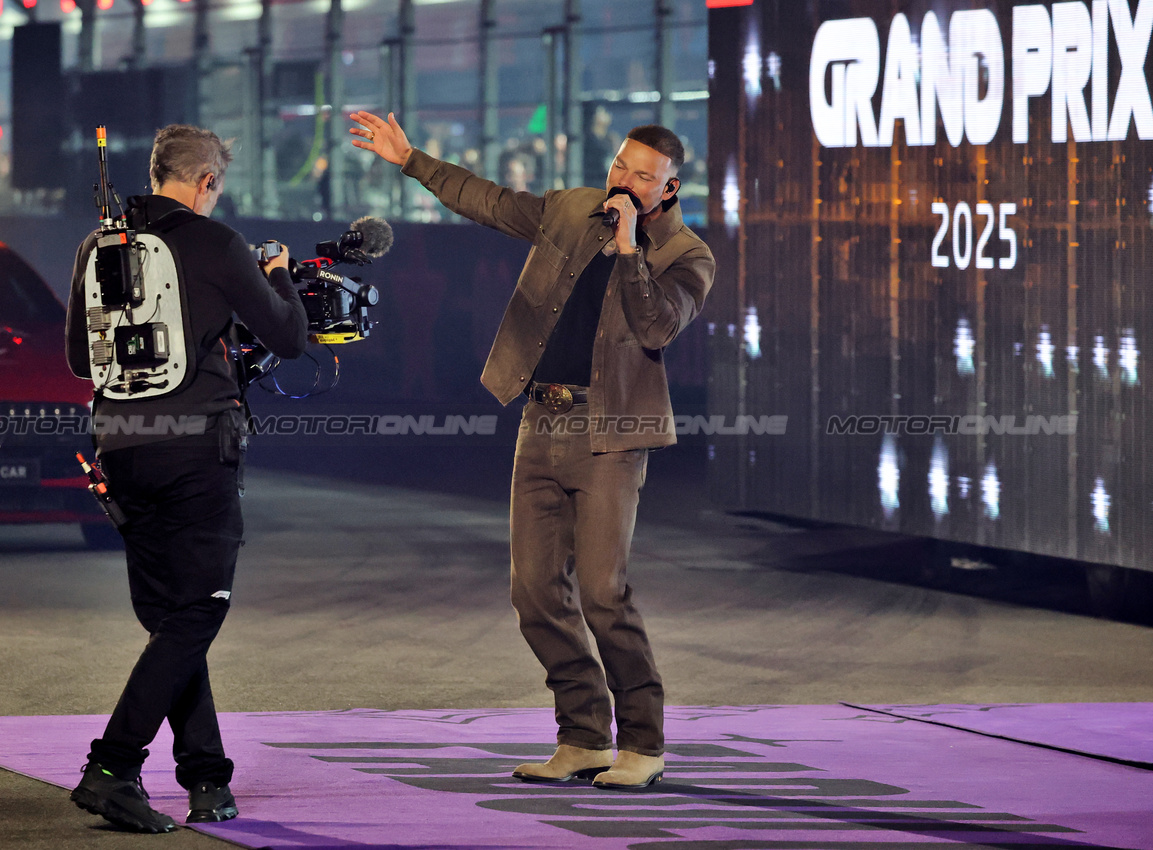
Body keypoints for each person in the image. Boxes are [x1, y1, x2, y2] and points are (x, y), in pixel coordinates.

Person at [349, 111, 714, 789]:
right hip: (540, 418)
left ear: (668, 188)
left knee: (603, 593)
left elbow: (657, 327)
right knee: (535, 593)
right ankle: (583, 736)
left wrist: (629, 250)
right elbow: (488, 201)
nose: (624, 181)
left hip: (610, 432)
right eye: (619, 165)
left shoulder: (685, 255)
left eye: (642, 176)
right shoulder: (573, 210)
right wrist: (411, 160)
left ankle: (643, 742)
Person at [64, 124, 310, 832]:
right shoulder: (217, 243)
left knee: (172, 619)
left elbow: (82, 360)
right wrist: (278, 276)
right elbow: (289, 337)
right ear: (206, 182)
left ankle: (206, 777)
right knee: (198, 612)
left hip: (121, 451)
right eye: (216, 188)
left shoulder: (97, 245)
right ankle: (111, 767)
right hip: (196, 451)